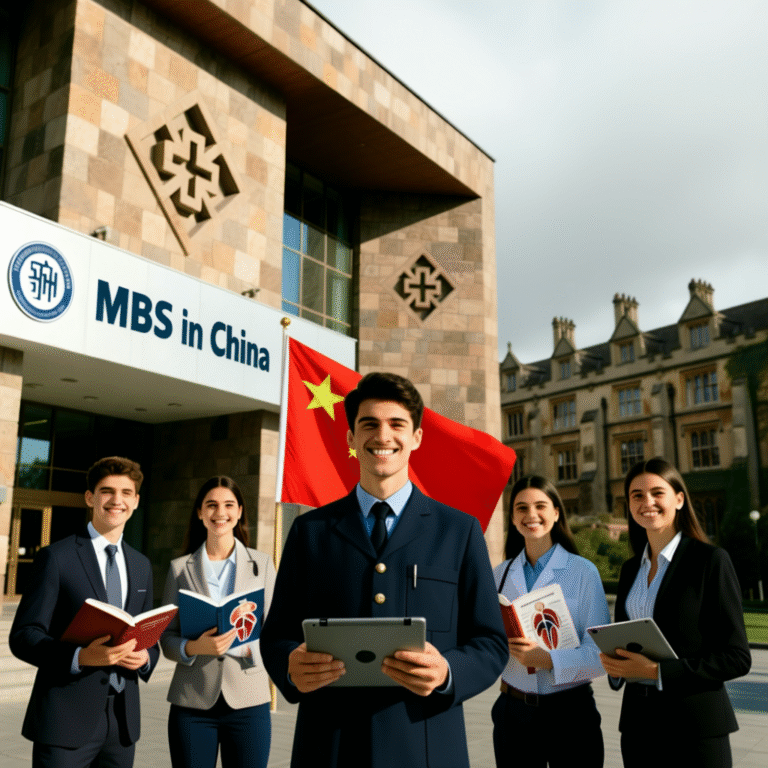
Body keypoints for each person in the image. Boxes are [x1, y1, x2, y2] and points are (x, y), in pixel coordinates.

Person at [260, 371, 508, 768]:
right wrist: (290, 668)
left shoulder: (459, 531)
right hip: (330, 746)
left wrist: (448, 671)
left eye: (397, 424)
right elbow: (276, 636)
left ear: (417, 438)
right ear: (351, 439)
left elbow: (491, 642)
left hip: (424, 746)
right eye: (369, 424)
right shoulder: (310, 532)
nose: (383, 436)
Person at [599, 457, 751, 768]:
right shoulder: (630, 570)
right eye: (637, 496)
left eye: (658, 493)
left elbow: (736, 657)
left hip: (696, 730)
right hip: (639, 729)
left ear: (679, 499)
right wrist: (616, 666)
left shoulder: (710, 561)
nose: (647, 502)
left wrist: (656, 672)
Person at [9, 456, 159, 768]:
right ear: (90, 497)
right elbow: (24, 636)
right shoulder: (56, 557)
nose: (116, 500)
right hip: (65, 721)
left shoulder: (141, 565)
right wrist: (79, 657)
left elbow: (147, 634)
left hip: (122, 723)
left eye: (126, 493)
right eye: (107, 491)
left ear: (136, 501)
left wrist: (146, 659)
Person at [492, 475, 609, 768]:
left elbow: (600, 654)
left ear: (556, 513)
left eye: (540, 506)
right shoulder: (500, 574)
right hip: (513, 711)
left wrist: (549, 660)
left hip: (570, 712)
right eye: (521, 508)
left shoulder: (583, 571)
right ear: (513, 517)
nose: (531, 515)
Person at [160, 476, 276, 768]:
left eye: (228, 505)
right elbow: (166, 638)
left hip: (249, 701)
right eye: (211, 505)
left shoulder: (261, 564)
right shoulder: (179, 569)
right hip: (192, 703)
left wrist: (250, 650)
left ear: (239, 512)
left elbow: (275, 631)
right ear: (200, 512)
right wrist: (193, 647)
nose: (219, 512)